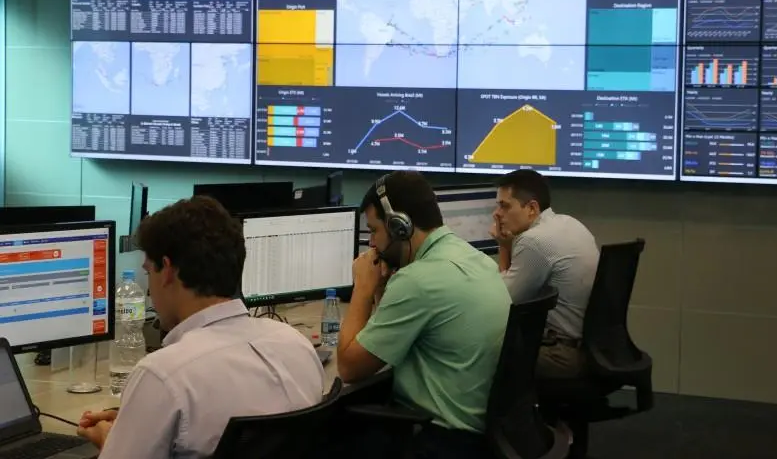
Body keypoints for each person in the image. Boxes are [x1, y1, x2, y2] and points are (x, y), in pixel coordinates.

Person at [77, 195, 325, 458]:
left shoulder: (163, 375)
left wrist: (111, 441)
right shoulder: (296, 344)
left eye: (149, 272)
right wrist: (138, 421)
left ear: (168, 271)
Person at [338, 170, 511, 458]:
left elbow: (349, 367)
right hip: (485, 432)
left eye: (374, 230)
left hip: (441, 439)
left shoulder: (418, 280)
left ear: (399, 226)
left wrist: (363, 288)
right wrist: (381, 289)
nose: (372, 244)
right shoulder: (475, 259)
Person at [490, 169, 599, 380]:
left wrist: (503, 247)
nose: (497, 214)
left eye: (505, 206)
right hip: (587, 348)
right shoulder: (570, 223)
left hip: (560, 355)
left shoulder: (534, 241)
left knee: (476, 349)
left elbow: (501, 304)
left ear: (532, 208)